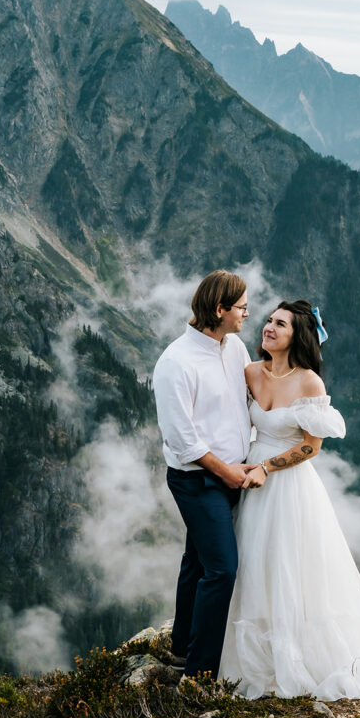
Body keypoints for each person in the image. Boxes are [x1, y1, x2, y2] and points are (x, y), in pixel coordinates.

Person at [219, 299, 360, 699]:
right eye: (269, 321)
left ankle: (300, 656)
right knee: (256, 562)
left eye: (280, 324)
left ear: (297, 336)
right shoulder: (250, 372)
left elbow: (311, 447)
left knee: (292, 565)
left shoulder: (309, 382)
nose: (268, 327)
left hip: (287, 485)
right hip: (250, 480)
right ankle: (253, 656)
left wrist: (267, 468)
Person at [153, 269, 254, 679]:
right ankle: (199, 672)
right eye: (242, 307)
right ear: (220, 309)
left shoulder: (234, 347)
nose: (247, 313)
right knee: (222, 569)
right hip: (199, 480)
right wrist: (227, 473)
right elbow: (183, 441)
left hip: (232, 473)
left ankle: (181, 647)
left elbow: (251, 396)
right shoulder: (176, 362)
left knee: (197, 560)